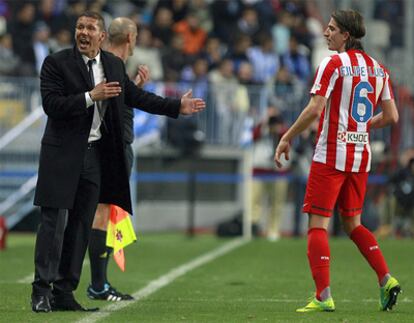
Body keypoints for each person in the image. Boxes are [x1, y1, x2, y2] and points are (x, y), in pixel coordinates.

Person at [31, 11, 205, 313]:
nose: (84, 32)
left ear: (101, 36)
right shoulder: (56, 63)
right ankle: (40, 292)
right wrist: (90, 96)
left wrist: (177, 106)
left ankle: (64, 292)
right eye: (80, 27)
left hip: (95, 156)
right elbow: (51, 105)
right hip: (62, 155)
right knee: (53, 224)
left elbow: (135, 97)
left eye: (91, 28)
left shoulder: (112, 64)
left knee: (81, 226)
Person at [274, 9, 401, 313]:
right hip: (360, 157)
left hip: (330, 155)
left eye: (331, 29)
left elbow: (315, 110)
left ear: (347, 35)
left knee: (317, 224)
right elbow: (393, 116)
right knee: (353, 223)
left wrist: (287, 136)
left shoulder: (332, 64)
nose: (325, 33)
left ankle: (323, 296)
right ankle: (386, 279)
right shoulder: (379, 70)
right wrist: (364, 125)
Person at [86, 17, 149, 302]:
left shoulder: (111, 64)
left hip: (113, 144)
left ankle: (98, 283)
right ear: (129, 38)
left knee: (105, 213)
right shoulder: (110, 62)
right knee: (102, 212)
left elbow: (116, 101)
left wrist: (134, 87)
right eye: (135, 37)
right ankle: (97, 285)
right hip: (111, 146)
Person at [250, 107, 289, 241]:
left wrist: (278, 126)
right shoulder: (262, 128)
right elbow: (253, 136)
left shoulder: (283, 131)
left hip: (278, 172)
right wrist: (264, 122)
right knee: (255, 200)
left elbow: (290, 139)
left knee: (276, 203)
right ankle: (253, 226)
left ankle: (273, 230)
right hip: (260, 169)